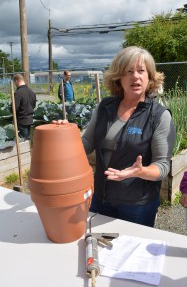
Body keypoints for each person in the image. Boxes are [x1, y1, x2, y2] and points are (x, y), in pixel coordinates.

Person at [53, 46, 176, 227]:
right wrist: (64, 136)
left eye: (141, 71)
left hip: (137, 204)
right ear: (119, 77)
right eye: (129, 71)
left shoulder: (158, 116)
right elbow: (87, 143)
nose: (135, 76)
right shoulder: (105, 106)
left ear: (149, 76)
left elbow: (162, 165)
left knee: (132, 250)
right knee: (97, 246)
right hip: (101, 197)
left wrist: (140, 171)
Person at [11, 73, 36, 140]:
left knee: (24, 141)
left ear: (16, 81)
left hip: (22, 121)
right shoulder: (32, 92)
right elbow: (33, 105)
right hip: (30, 119)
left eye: (15, 82)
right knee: (28, 139)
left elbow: (14, 108)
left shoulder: (18, 93)